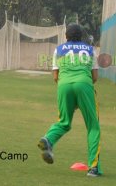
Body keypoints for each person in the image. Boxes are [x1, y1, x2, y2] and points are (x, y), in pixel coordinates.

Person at [37, 23, 102, 177]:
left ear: (66, 36)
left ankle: (48, 139)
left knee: (64, 121)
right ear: (81, 36)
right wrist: (81, 93)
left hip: (64, 85)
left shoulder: (58, 50)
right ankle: (93, 168)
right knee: (93, 126)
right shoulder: (90, 50)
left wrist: (71, 94)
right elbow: (94, 77)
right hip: (84, 85)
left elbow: (55, 77)